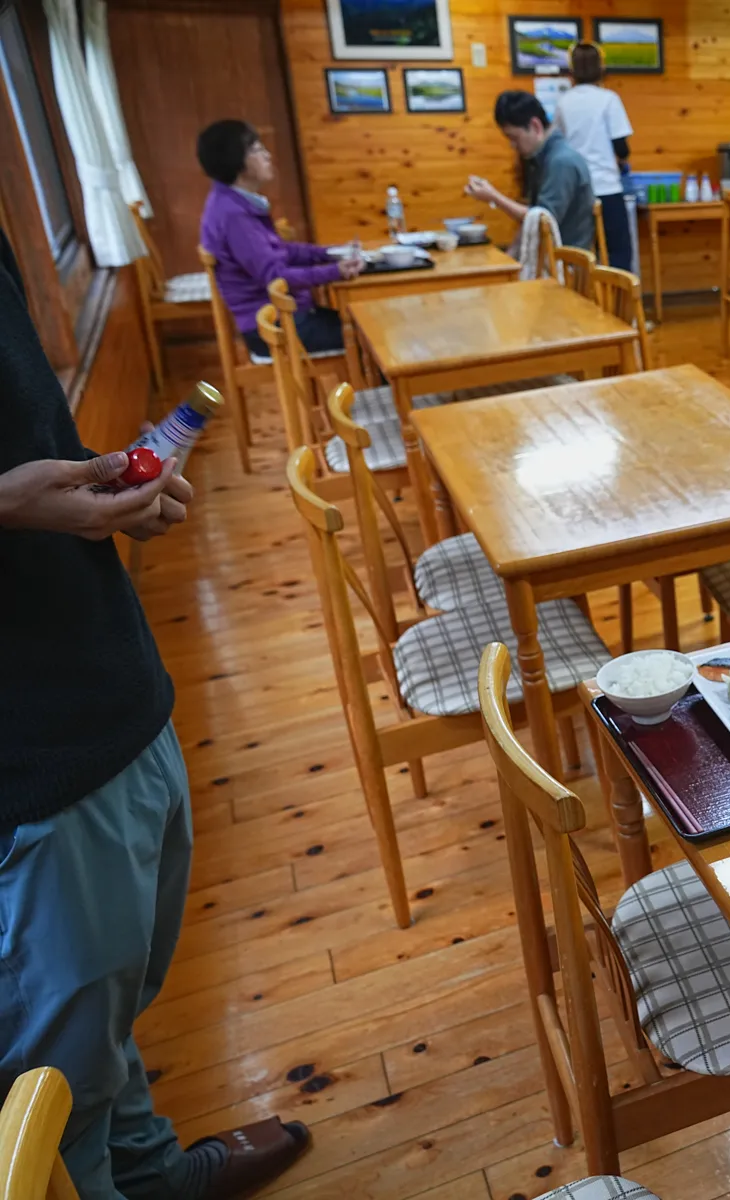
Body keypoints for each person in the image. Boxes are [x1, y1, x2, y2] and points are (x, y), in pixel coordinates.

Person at [0, 226, 311, 1198]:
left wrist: (96, 479)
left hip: (110, 676)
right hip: (35, 748)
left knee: (118, 1004)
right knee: (62, 1081)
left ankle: (152, 1171)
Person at [197, 119, 361, 358]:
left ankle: (372, 394)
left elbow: (280, 251)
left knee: (364, 324)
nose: (268, 155)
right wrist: (335, 271)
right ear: (236, 161)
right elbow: (275, 277)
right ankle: (375, 396)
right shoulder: (233, 215)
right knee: (369, 337)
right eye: (257, 150)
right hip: (273, 324)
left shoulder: (234, 202)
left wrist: (330, 253)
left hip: (283, 314)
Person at [466, 90, 596, 255]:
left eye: (514, 138)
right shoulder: (541, 156)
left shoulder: (561, 162)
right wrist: (511, 259)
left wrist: (494, 197)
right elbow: (531, 218)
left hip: (567, 265)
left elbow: (541, 221)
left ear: (535, 126)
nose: (512, 146)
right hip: (548, 257)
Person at [556, 42, 635, 272]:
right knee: (617, 253)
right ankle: (617, 305)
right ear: (602, 69)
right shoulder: (609, 99)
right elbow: (621, 147)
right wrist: (621, 161)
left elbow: (560, 145)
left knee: (578, 254)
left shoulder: (564, 102)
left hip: (576, 190)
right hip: (607, 188)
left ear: (571, 71)